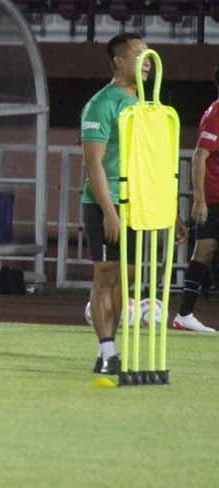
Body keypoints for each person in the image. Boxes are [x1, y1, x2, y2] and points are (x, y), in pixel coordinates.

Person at [81, 33, 185, 373]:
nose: (147, 60)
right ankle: (107, 352)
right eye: (139, 54)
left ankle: (109, 334)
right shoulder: (102, 103)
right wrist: (109, 212)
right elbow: (93, 163)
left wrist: (174, 210)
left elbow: (156, 164)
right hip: (107, 203)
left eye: (149, 55)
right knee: (106, 276)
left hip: (140, 204)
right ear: (118, 61)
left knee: (126, 279)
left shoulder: (148, 106)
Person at [175, 65, 219, 332]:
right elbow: (199, 156)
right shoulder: (216, 114)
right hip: (214, 198)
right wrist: (199, 199)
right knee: (204, 249)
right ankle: (184, 314)